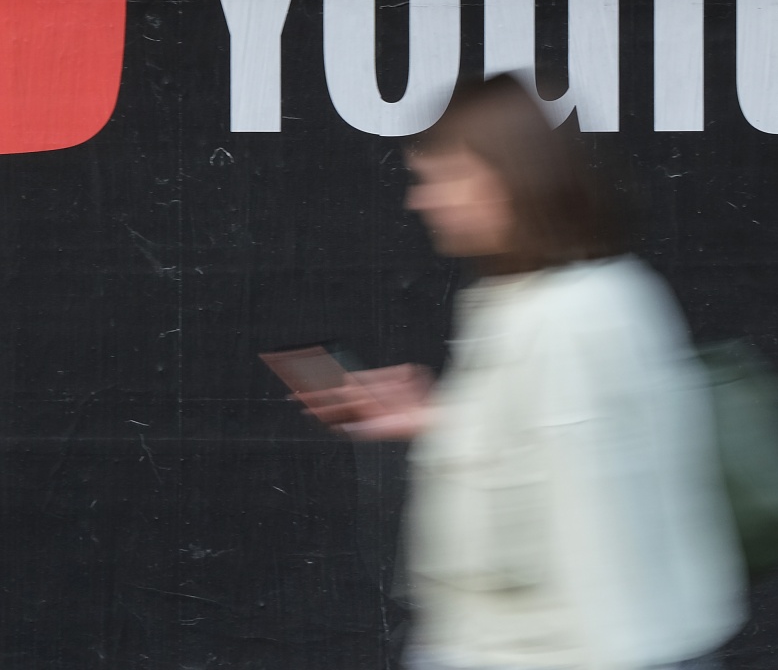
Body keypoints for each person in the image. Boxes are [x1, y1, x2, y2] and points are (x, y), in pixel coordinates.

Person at [302, 76, 745, 670]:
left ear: (505, 177)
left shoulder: (565, 320)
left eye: (443, 178)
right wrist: (440, 418)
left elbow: (595, 520)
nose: (422, 202)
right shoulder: (545, 302)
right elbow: (544, 448)